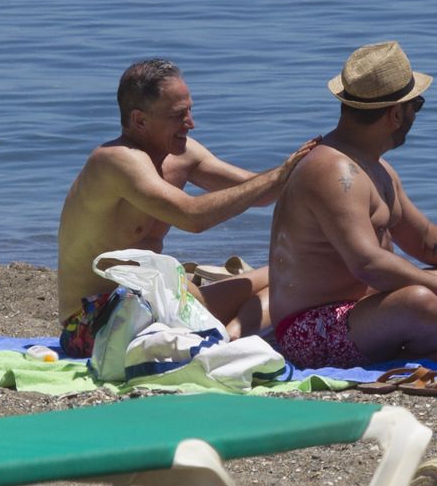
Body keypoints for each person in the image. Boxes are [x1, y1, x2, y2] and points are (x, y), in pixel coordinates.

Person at [266, 41, 437, 367]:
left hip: (363, 312)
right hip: (311, 330)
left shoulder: (375, 167)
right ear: (395, 114)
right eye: (416, 105)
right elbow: (367, 263)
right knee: (422, 300)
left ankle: (430, 340)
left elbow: (423, 239)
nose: (415, 115)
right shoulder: (335, 171)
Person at [56, 59, 317, 358]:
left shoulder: (182, 154)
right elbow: (192, 217)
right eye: (178, 115)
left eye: (190, 110)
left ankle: (231, 335)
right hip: (94, 323)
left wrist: (311, 166)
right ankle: (227, 337)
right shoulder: (116, 160)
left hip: (156, 305)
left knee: (288, 273)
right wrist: (276, 176)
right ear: (139, 121)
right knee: (286, 278)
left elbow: (258, 193)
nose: (191, 123)